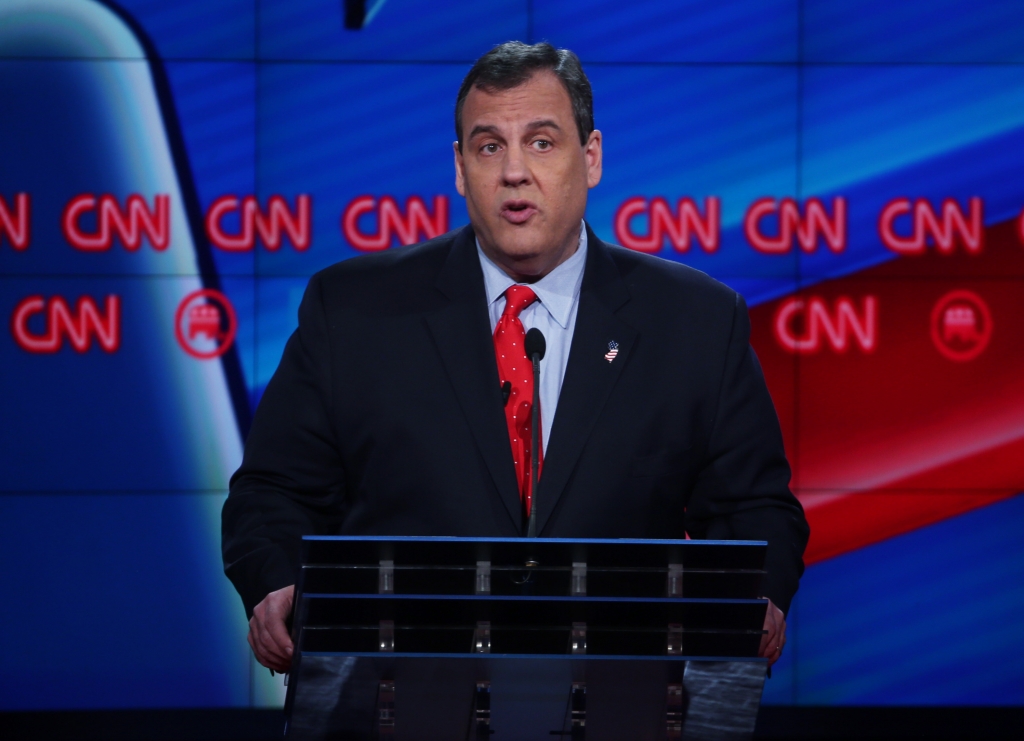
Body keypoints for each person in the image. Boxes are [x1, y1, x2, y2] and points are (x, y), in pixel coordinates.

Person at [223, 41, 809, 675]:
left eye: (541, 142)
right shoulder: (353, 310)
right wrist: (276, 579)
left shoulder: (694, 322)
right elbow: (271, 491)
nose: (513, 173)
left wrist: (760, 596)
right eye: (488, 146)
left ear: (590, 158)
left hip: (619, 689)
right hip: (400, 686)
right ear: (459, 167)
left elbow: (757, 510)